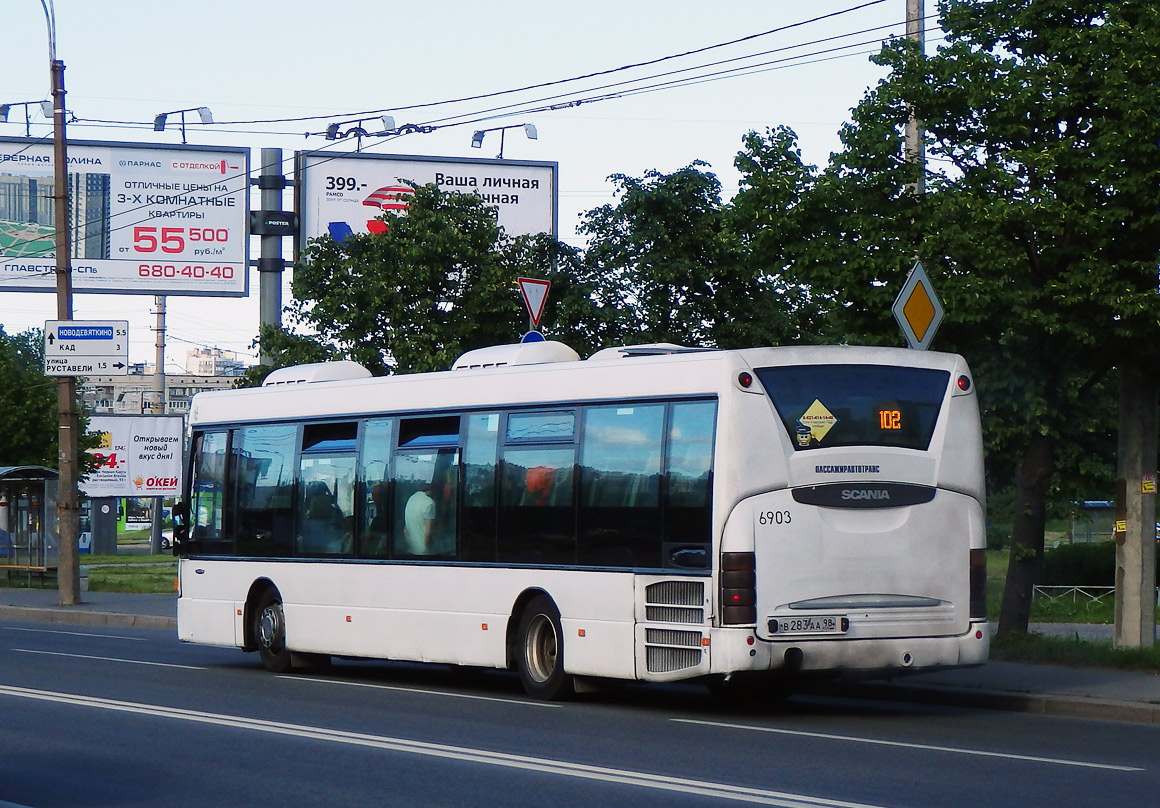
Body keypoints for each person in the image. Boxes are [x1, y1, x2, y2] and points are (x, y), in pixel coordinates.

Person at [402, 483, 436, 555]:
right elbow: (428, 532)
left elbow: (405, 531)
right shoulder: (429, 503)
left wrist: (411, 545)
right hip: (423, 552)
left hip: (411, 549)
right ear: (431, 490)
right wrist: (426, 550)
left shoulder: (411, 499)